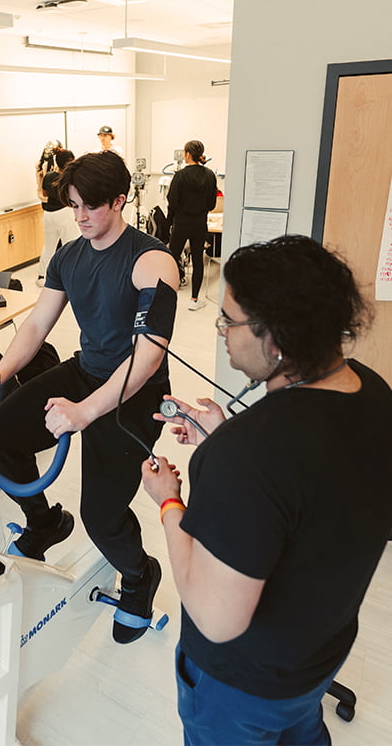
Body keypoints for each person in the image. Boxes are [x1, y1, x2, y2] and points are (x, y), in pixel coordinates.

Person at [141, 235, 392, 745]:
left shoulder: (250, 453)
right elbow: (311, 478)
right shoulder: (373, 391)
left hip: (244, 685)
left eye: (228, 321)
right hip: (321, 653)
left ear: (275, 339)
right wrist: (228, 433)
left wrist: (168, 501)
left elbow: (215, 618)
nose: (222, 334)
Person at [0, 151, 178, 644]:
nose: (79, 217)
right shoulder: (68, 255)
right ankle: (44, 522)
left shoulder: (152, 261)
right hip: (85, 371)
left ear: (120, 201)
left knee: (101, 517)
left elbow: (148, 355)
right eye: (73, 207)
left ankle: (141, 576)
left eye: (90, 207)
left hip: (134, 393)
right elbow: (38, 324)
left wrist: (86, 412)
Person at [165, 139, 218, 310]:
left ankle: (166, 295)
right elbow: (211, 204)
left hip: (181, 223)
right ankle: (194, 300)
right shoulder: (210, 175)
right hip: (199, 224)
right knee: (197, 260)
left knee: (171, 259)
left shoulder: (180, 176)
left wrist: (170, 221)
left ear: (187, 154)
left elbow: (172, 202)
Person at [36, 149, 76, 288]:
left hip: (48, 215)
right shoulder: (69, 178)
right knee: (71, 247)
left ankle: (42, 277)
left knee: (49, 246)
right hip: (64, 213)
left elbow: (45, 194)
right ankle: (70, 278)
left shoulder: (49, 176)